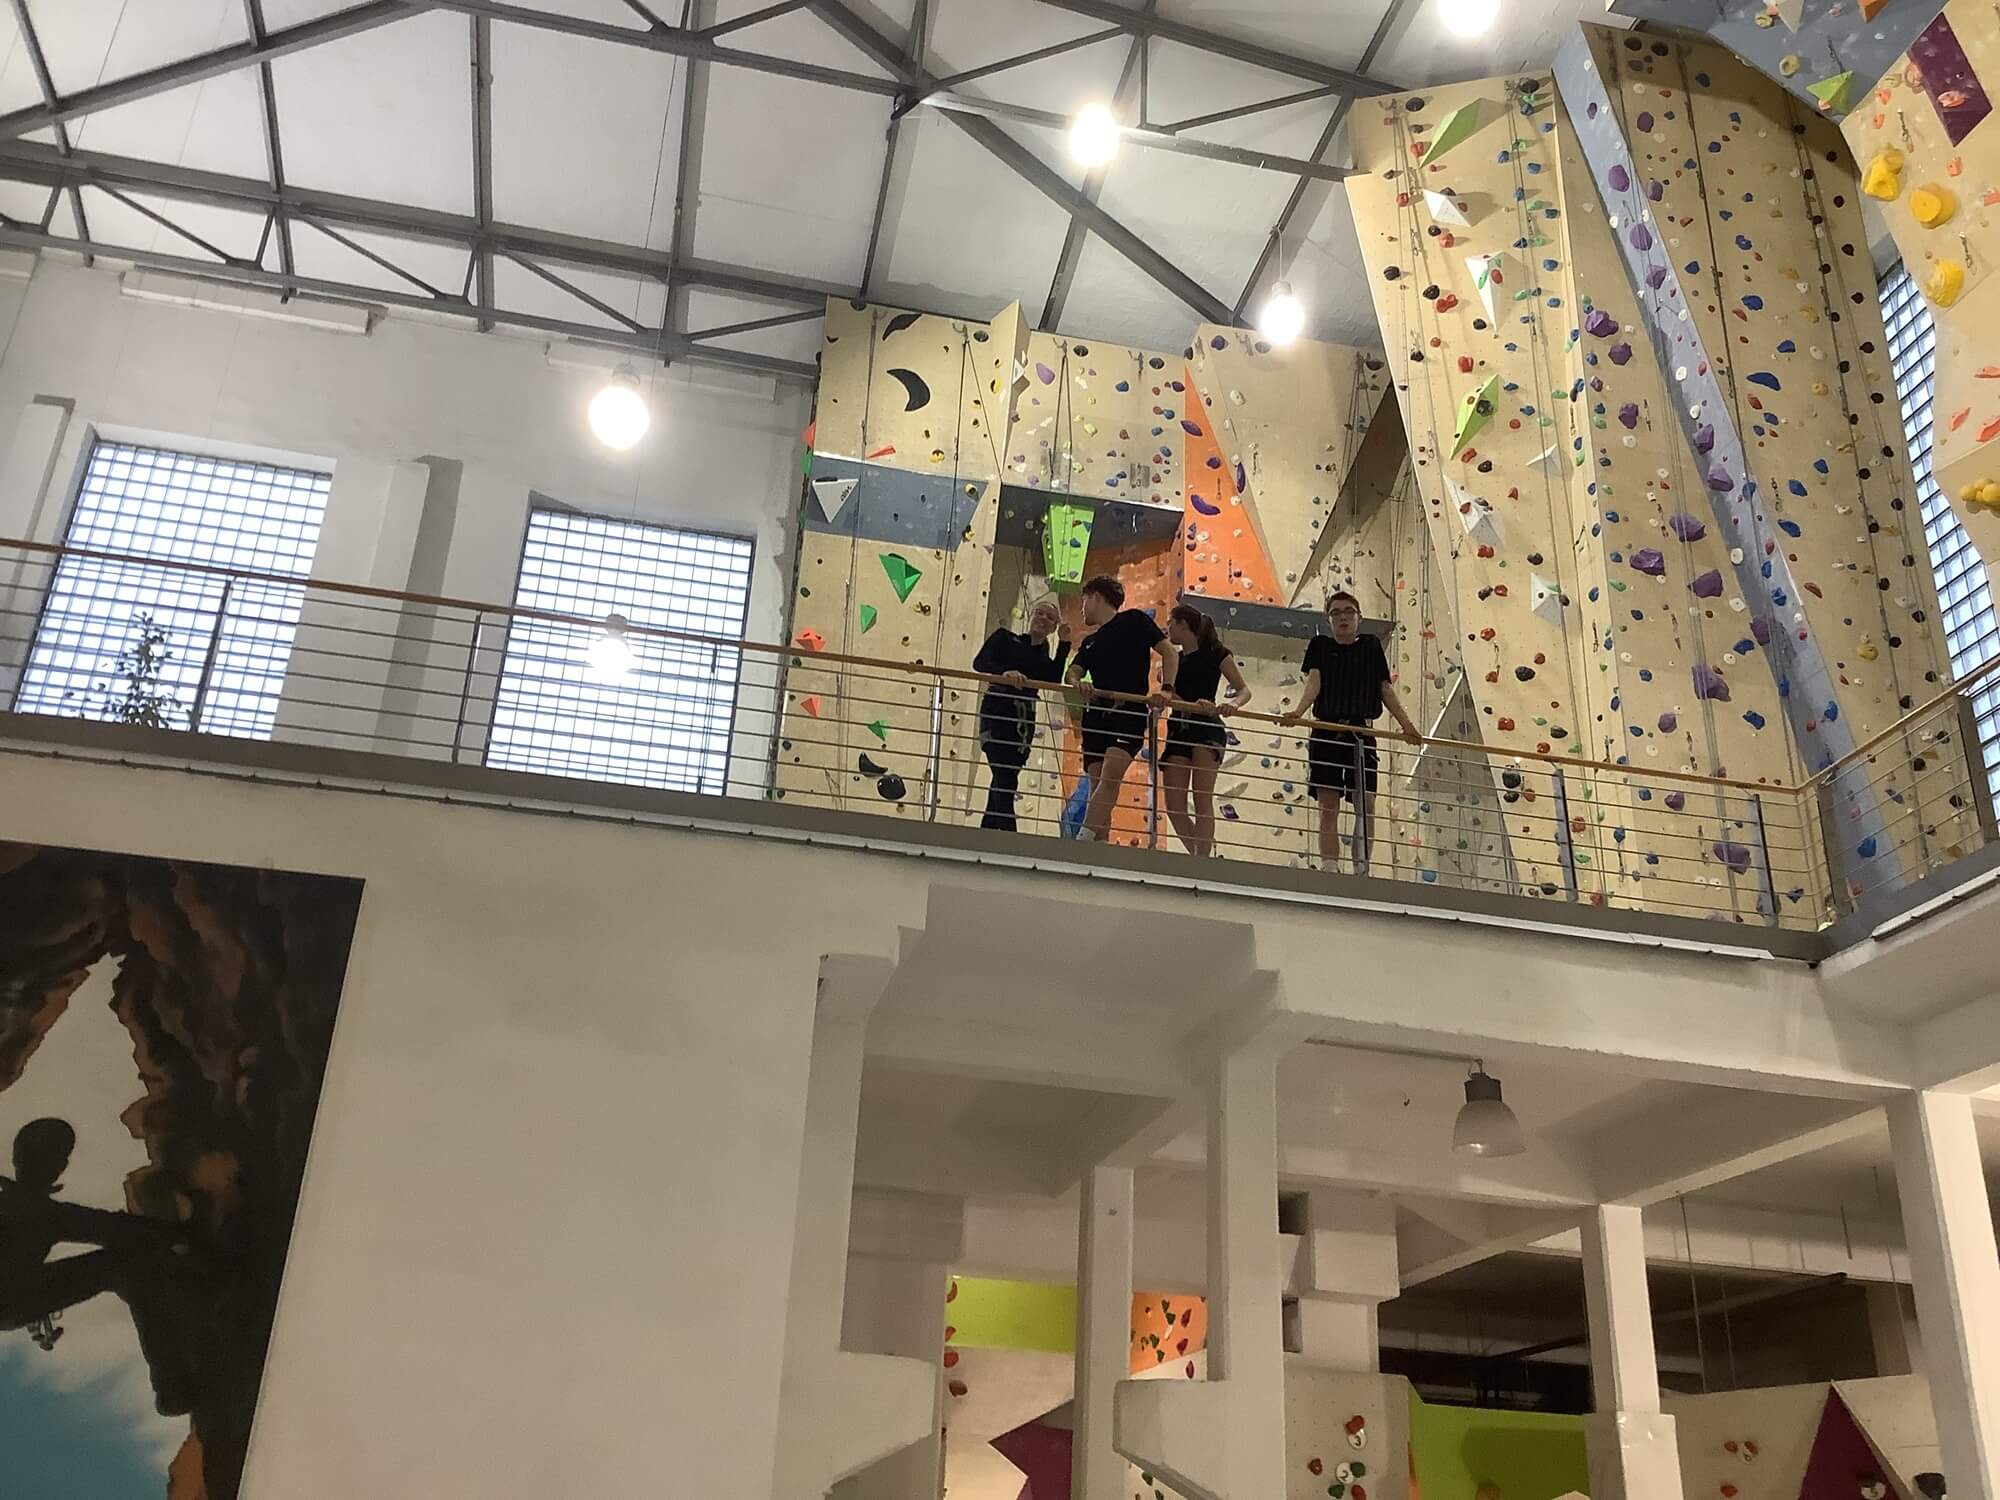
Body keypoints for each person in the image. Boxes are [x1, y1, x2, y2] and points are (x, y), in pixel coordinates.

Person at [1283, 590, 1419, 875]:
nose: (1342, 617)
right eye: (1335, 613)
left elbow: (1384, 688)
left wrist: (1406, 725)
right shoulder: (1319, 645)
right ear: (1328, 619)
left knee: (1366, 802)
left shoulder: (1370, 646)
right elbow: (1314, 682)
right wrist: (1298, 711)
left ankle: (1361, 867)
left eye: (1348, 612)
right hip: (1327, 730)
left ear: (1358, 617)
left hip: (1360, 731)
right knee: (1328, 803)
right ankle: (1330, 865)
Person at [1065, 575, 1177, 844]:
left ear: (1096, 597)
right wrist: (1078, 683)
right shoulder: (1089, 642)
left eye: (1084, 601)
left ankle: (1083, 839)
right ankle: (1099, 845)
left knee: (1111, 774)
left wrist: (1166, 689)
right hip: (1096, 716)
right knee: (1096, 783)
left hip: (1127, 711)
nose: (1082, 609)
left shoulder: (1134, 621)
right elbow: (1073, 671)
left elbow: (1169, 652)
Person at [972, 597, 1071, 832]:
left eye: (1049, 617)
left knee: (1004, 778)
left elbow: (1053, 678)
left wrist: (1065, 644)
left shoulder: (1041, 658)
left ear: (1054, 628)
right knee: (1005, 777)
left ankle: (986, 833)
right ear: (1030, 615)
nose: (1043, 619)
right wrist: (1004, 672)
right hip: (998, 715)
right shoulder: (1005, 638)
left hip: (1022, 723)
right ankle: (1009, 837)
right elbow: (980, 662)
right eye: (1040, 613)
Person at [1158, 604, 1251, 857]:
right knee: (1175, 805)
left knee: (1202, 797)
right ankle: (1200, 856)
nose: (1168, 629)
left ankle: (1201, 860)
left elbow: (1243, 689)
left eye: (1171, 623)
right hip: (1180, 726)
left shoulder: (1215, 653)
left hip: (1207, 727)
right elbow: (1171, 696)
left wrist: (1230, 705)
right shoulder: (1172, 659)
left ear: (1183, 624)